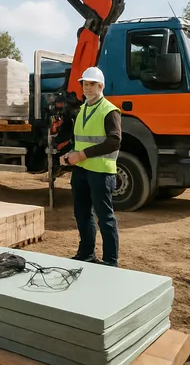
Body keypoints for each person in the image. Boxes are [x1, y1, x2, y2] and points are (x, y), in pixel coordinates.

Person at [60, 66, 121, 267]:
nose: (87, 88)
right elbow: (79, 141)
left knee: (105, 217)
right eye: (85, 84)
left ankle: (110, 261)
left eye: (92, 84)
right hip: (81, 170)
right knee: (82, 213)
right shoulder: (83, 110)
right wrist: (70, 154)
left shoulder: (109, 111)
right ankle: (86, 254)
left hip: (101, 172)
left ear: (101, 86)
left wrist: (82, 155)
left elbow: (114, 141)